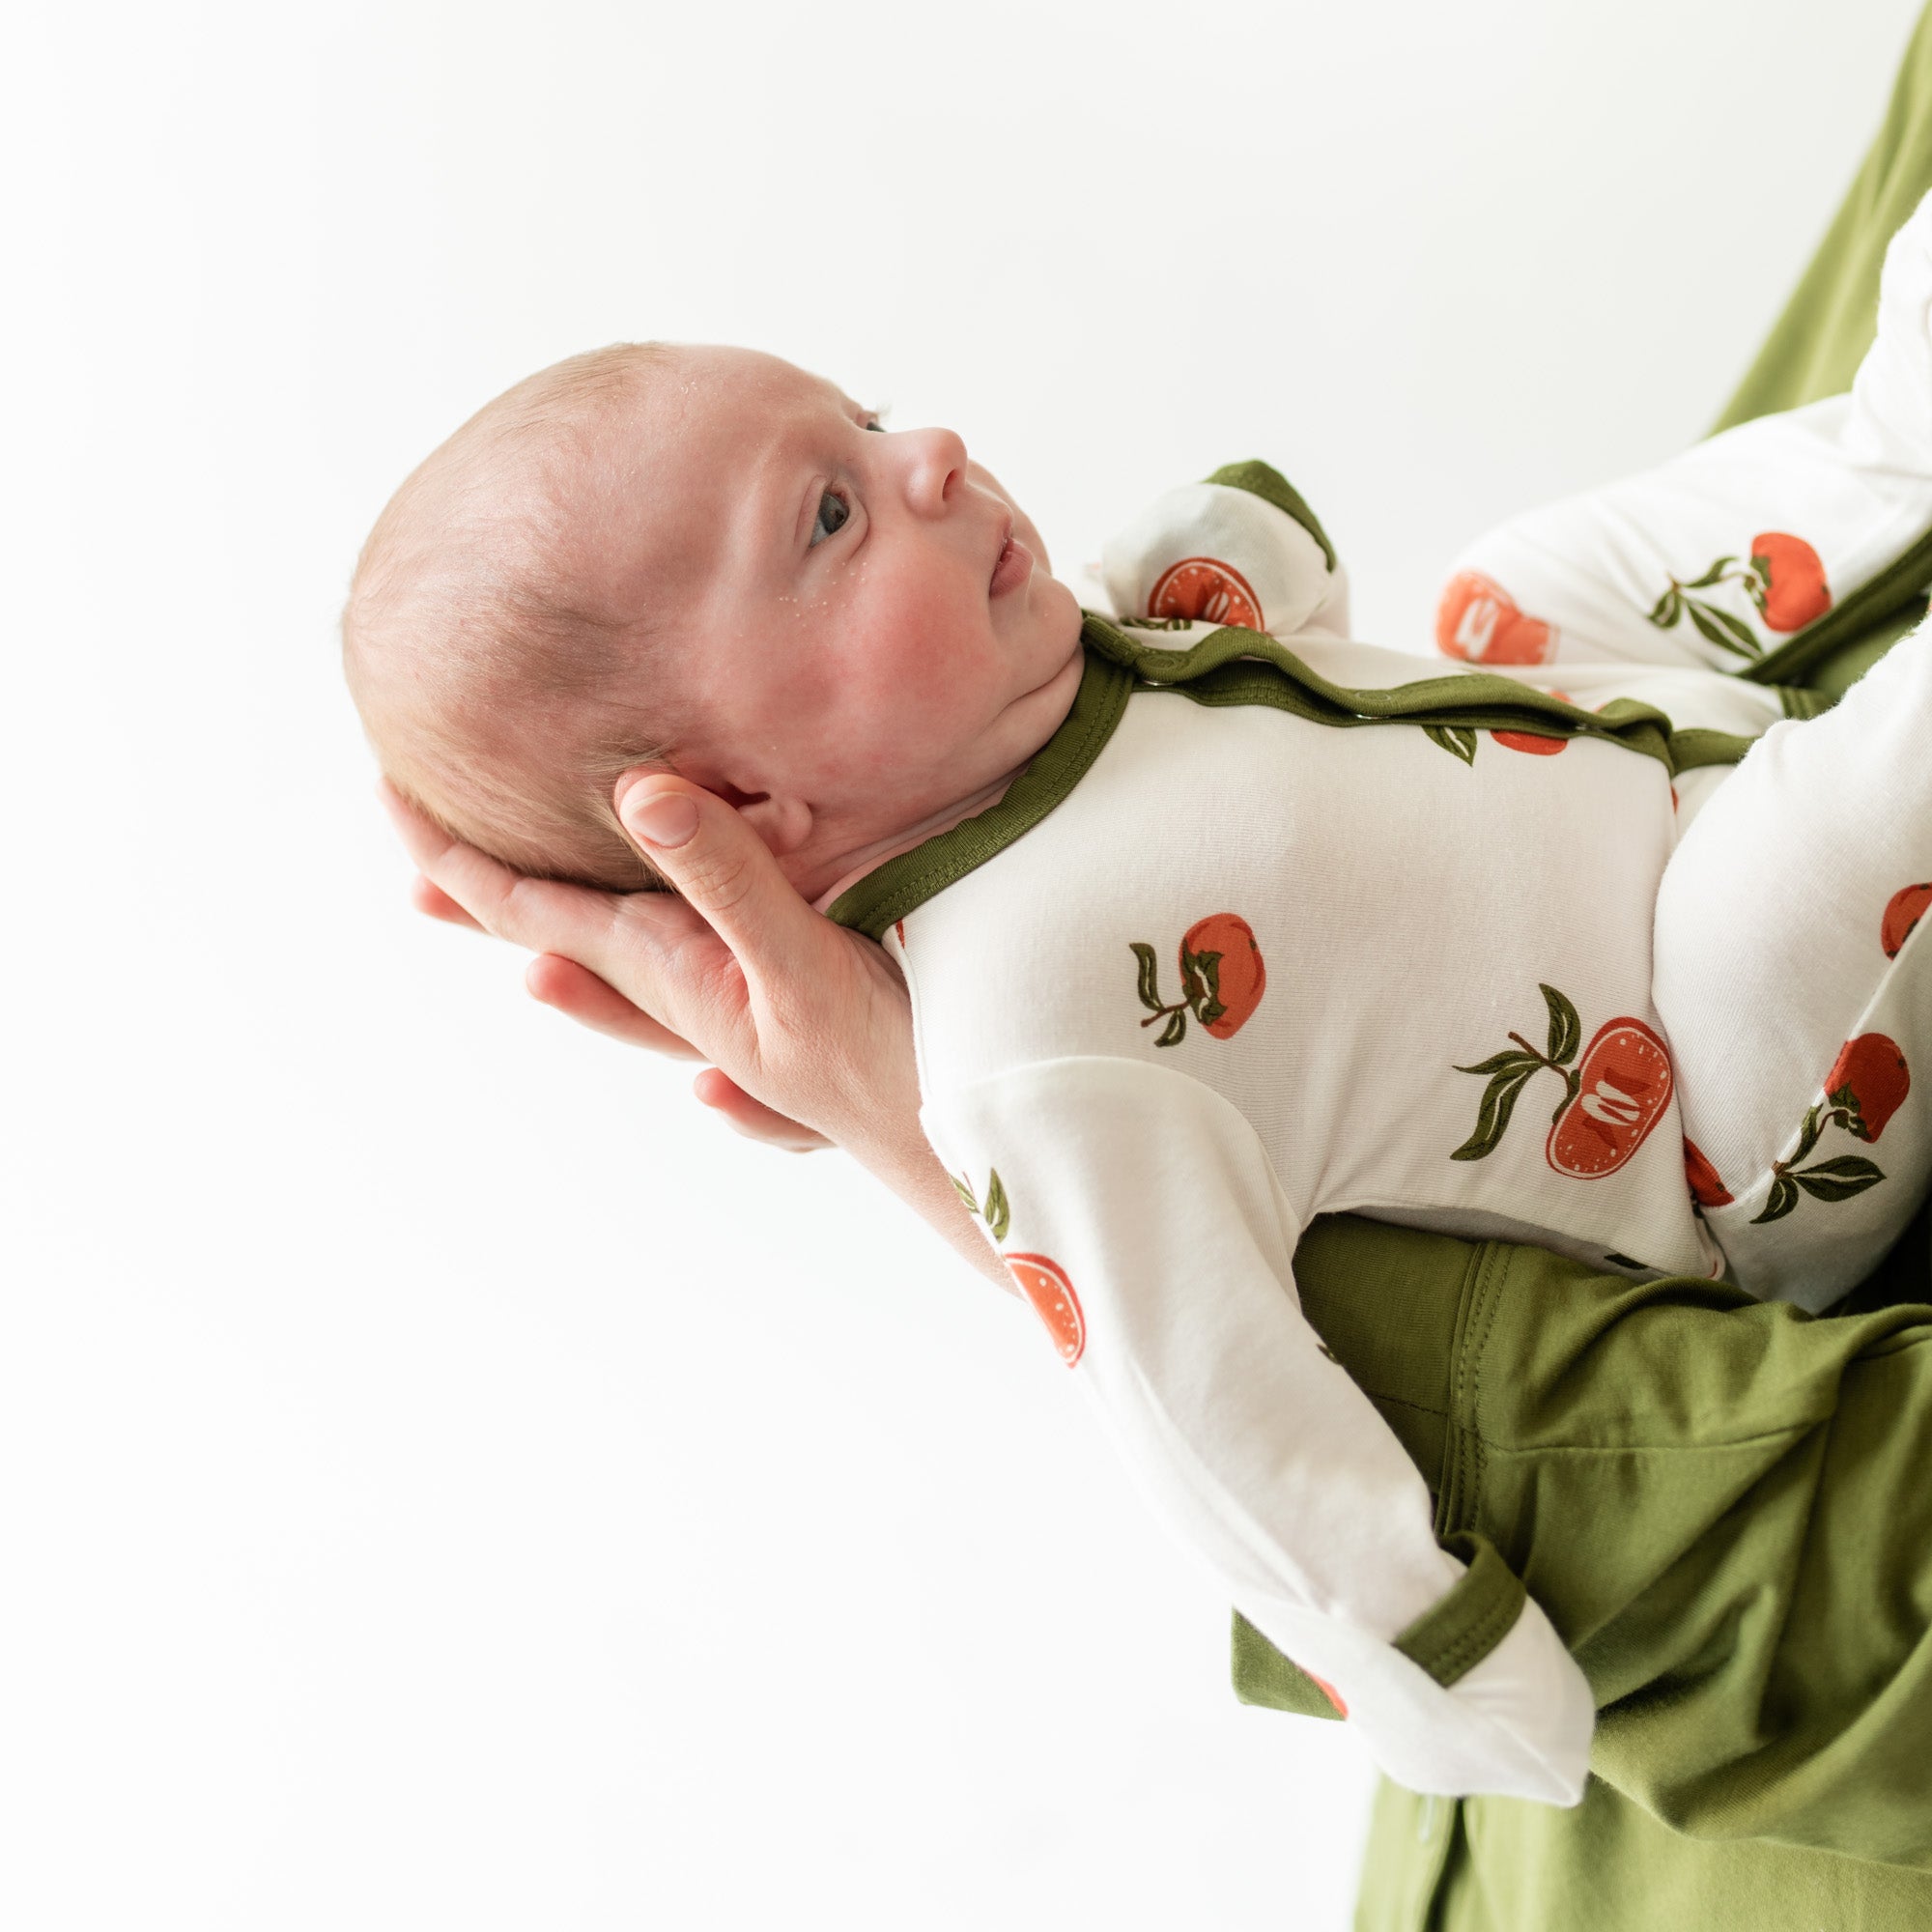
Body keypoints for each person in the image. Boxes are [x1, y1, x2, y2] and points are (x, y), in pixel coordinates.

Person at [348, 193, 1932, 1804]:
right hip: (1743, 1114)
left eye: (871, 418)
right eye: (831, 514)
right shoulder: (1032, 1047)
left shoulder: (1079, 673)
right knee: (1767, 902)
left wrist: (1221, 574)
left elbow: (1290, 621)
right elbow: (1202, 1401)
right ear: (744, 809)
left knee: (1491, 601)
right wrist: (1438, 1662)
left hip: (1660, 778)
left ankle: (1899, 437)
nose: (936, 453)